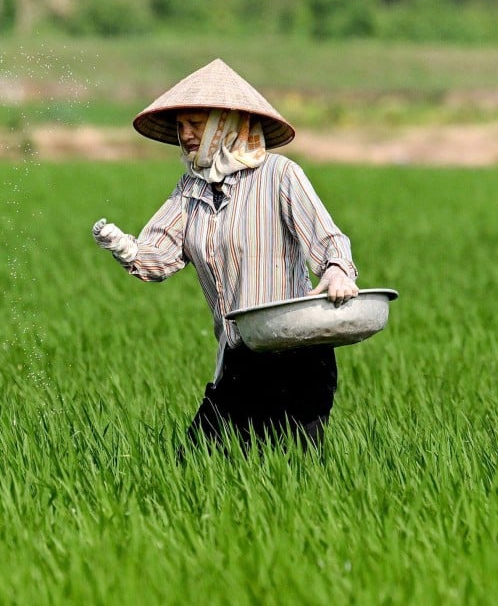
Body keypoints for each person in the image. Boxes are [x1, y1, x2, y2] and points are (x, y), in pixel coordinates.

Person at [92, 58, 359, 456]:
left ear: (226, 122)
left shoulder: (279, 176)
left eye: (196, 124)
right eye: (182, 126)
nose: (185, 135)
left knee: (291, 473)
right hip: (241, 357)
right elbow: (159, 259)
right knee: (195, 463)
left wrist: (338, 271)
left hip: (295, 356)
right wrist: (127, 249)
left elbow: (329, 239)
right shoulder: (190, 189)